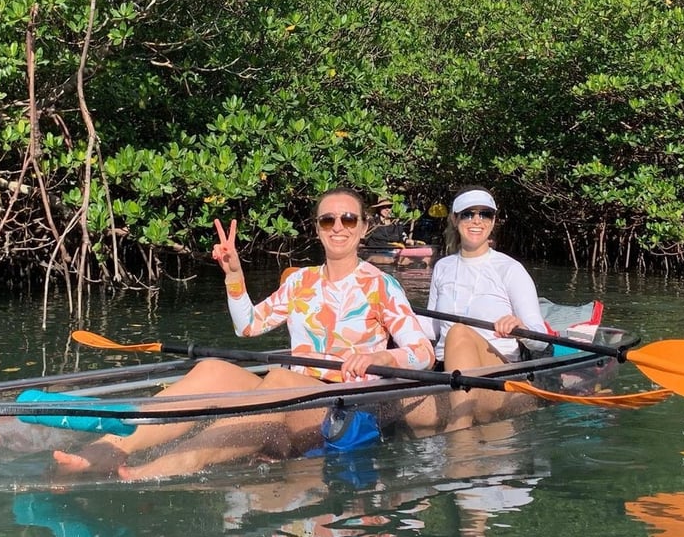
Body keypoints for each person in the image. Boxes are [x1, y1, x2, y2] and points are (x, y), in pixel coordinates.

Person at [53, 187, 435, 480]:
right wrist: (234, 276)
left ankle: (176, 462)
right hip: (295, 395)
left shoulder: (381, 285)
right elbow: (248, 326)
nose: (338, 227)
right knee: (212, 369)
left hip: (345, 410)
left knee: (280, 378)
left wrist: (381, 357)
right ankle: (111, 447)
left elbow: (423, 353)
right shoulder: (300, 281)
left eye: (348, 219)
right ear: (317, 228)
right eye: (328, 220)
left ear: (364, 227)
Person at [417, 186, 548, 432]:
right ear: (454, 219)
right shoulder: (443, 267)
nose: (477, 221)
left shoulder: (510, 269)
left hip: (498, 375)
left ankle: (459, 431)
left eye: (485, 214)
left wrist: (520, 328)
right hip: (445, 371)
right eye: (468, 214)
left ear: (493, 221)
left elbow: (540, 339)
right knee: (415, 420)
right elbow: (432, 329)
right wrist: (394, 313)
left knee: (458, 331)